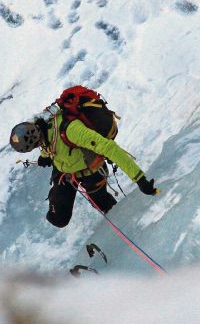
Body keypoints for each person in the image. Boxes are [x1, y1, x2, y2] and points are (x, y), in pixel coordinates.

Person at [9, 90, 158, 228]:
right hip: (64, 172)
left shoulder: (71, 130)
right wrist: (44, 156)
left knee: (104, 205)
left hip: (91, 173)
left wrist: (140, 180)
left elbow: (109, 148)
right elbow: (48, 141)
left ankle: (127, 227)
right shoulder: (41, 123)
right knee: (58, 218)